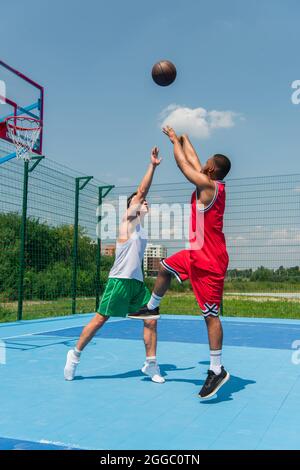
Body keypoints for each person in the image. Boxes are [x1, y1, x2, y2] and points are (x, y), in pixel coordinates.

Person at [128, 128, 231, 399]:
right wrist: (187, 139)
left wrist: (175, 142)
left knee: (211, 316)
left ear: (212, 169)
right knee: (164, 267)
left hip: (209, 261)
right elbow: (195, 162)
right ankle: (151, 308)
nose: (203, 162)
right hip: (195, 253)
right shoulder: (210, 182)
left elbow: (184, 165)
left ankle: (217, 369)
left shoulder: (208, 186)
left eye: (207, 162)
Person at [64, 147, 165, 383]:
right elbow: (141, 191)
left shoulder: (141, 229)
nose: (145, 201)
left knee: (151, 319)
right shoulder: (127, 221)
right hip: (119, 281)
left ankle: (151, 364)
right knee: (100, 319)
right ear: (133, 205)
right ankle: (74, 355)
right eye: (141, 201)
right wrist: (152, 166)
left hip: (137, 284)